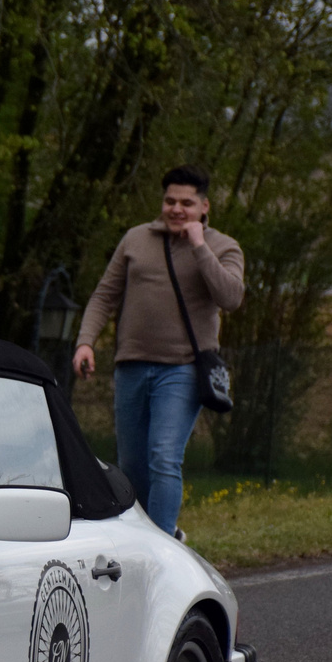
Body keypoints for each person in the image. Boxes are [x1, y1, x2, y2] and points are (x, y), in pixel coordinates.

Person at [72, 165, 244, 539]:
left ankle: (164, 544)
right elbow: (105, 295)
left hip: (182, 370)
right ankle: (141, 537)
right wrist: (86, 341)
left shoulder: (222, 246)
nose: (176, 209)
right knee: (132, 465)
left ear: (204, 206)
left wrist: (199, 246)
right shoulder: (136, 239)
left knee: (164, 456)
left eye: (186, 203)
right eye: (170, 201)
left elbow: (231, 297)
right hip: (132, 366)